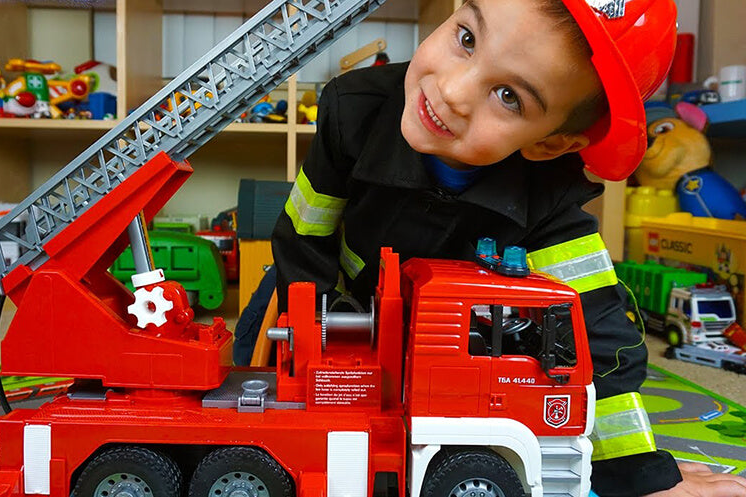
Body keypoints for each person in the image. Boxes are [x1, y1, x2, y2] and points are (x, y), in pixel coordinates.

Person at [236, 0, 746, 495]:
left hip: (441, 358)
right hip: (327, 298)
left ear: (549, 143)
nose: (453, 92)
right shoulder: (354, 111)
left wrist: (639, 475)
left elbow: (599, 339)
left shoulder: (548, 198)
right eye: (466, 38)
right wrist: (318, 359)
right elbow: (304, 236)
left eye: (508, 97)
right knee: (256, 377)